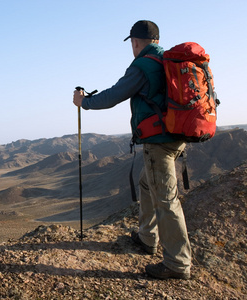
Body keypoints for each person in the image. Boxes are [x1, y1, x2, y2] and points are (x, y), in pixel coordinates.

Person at [73, 20, 191, 280]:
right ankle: (147, 238)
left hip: (159, 140)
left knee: (166, 200)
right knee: (147, 183)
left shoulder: (144, 65)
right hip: (176, 135)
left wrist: (85, 102)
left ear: (135, 42)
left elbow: (116, 94)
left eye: (133, 44)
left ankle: (178, 264)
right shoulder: (168, 60)